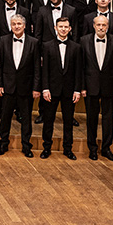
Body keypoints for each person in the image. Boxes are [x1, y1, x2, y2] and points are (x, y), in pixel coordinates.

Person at [0, 14, 38, 157]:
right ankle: (3, 144)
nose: (16, 26)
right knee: (5, 118)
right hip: (7, 86)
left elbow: (37, 68)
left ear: (24, 26)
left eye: (19, 24)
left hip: (26, 87)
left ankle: (26, 146)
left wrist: (36, 88)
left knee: (26, 119)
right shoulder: (3, 40)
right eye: (14, 24)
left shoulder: (33, 42)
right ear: (11, 26)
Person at [80, 14, 113, 161]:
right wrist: (82, 87)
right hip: (90, 86)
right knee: (91, 119)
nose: (101, 27)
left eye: (104, 25)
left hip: (109, 87)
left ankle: (106, 148)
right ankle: (92, 148)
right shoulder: (84, 40)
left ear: (108, 26)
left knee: (108, 119)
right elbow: (81, 67)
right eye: (98, 25)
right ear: (93, 25)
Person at [39, 16, 83, 160]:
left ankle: (68, 149)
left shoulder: (76, 47)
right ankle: (46, 148)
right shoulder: (46, 46)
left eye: (66, 27)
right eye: (61, 27)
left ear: (70, 29)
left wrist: (77, 90)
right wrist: (45, 88)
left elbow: (78, 71)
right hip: (51, 90)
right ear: (55, 28)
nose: (63, 29)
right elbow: (44, 69)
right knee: (48, 120)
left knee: (68, 121)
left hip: (69, 91)